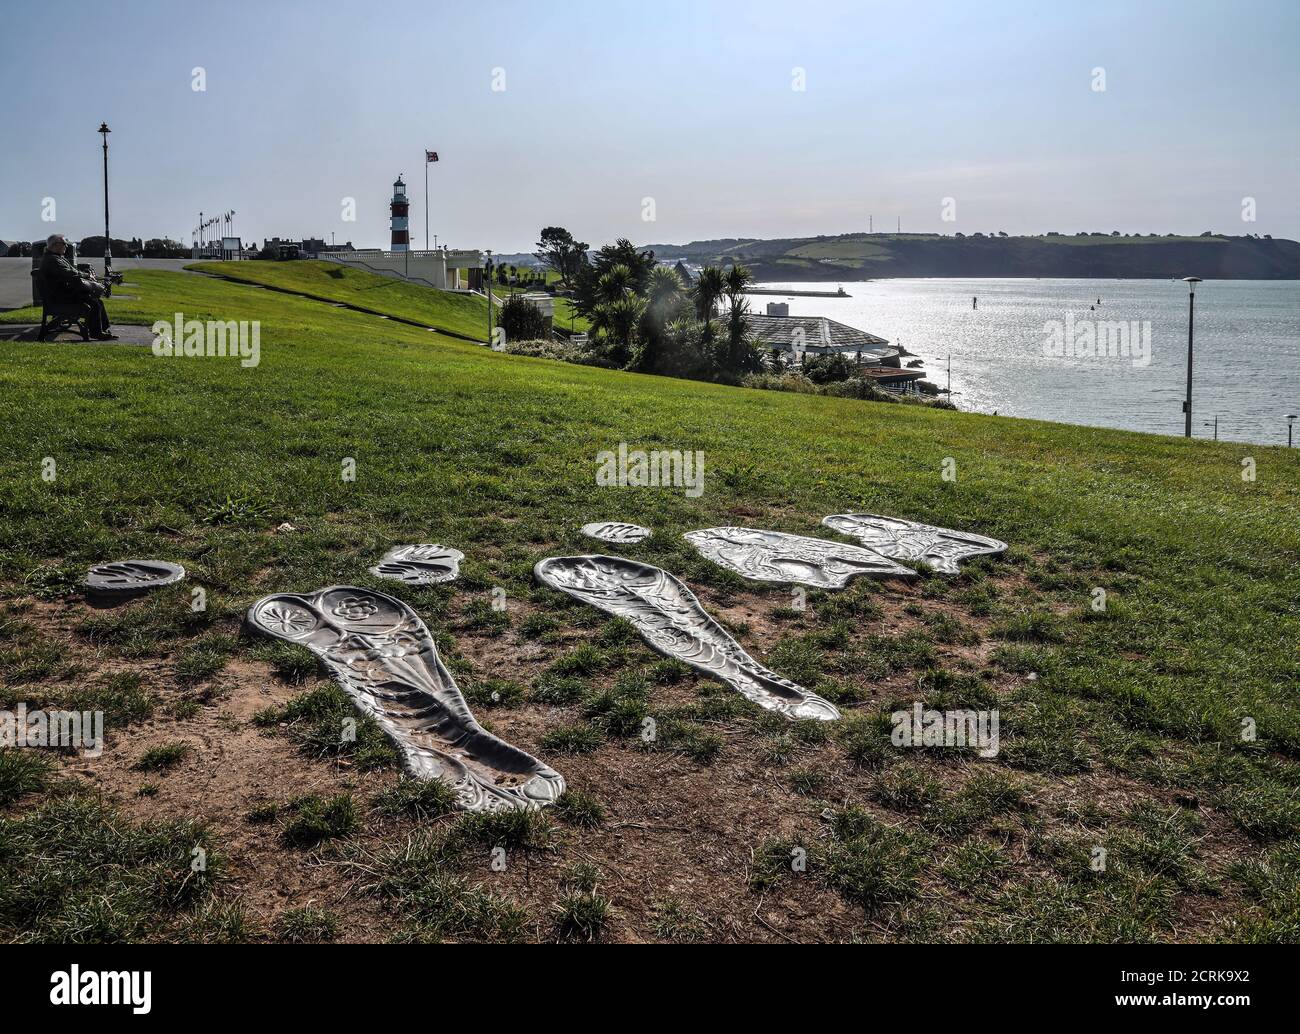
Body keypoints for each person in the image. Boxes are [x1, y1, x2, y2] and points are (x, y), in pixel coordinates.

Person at [39, 234, 116, 340]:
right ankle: (97, 333)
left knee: (97, 302)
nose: (66, 246)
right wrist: (86, 275)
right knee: (94, 303)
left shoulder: (55, 258)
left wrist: (84, 275)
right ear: (55, 245)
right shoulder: (52, 259)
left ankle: (102, 330)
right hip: (60, 297)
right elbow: (69, 273)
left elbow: (71, 272)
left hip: (61, 294)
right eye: (64, 244)